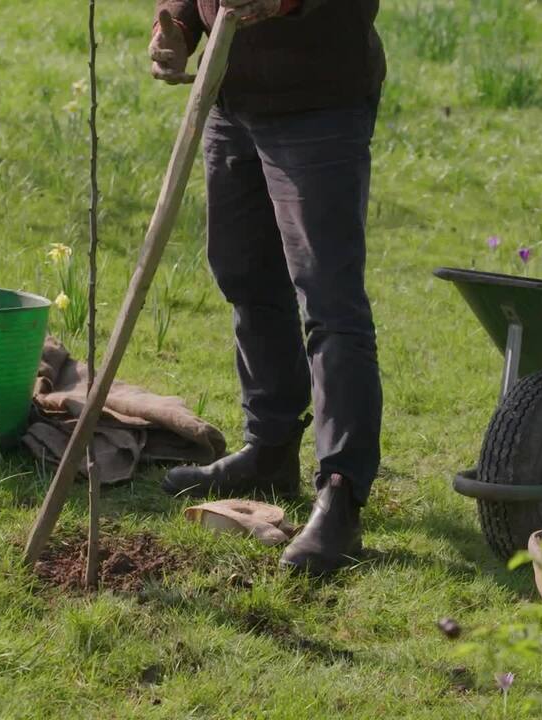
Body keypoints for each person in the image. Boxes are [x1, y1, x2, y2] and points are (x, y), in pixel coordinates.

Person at [149, 0, 385, 575]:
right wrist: (177, 24)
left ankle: (341, 493)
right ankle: (270, 450)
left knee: (328, 300)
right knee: (245, 273)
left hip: (318, 101)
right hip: (231, 95)